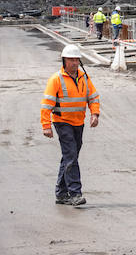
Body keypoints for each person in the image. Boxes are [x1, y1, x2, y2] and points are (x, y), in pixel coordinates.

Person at [41, 45, 100, 206]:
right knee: (71, 156)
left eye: (76, 59)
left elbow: (93, 97)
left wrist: (95, 114)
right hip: (62, 122)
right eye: (71, 60)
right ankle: (75, 193)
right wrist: (46, 126)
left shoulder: (84, 77)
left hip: (78, 122)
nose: (74, 63)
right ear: (64, 61)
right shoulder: (56, 79)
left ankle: (61, 193)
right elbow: (46, 105)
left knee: (69, 157)